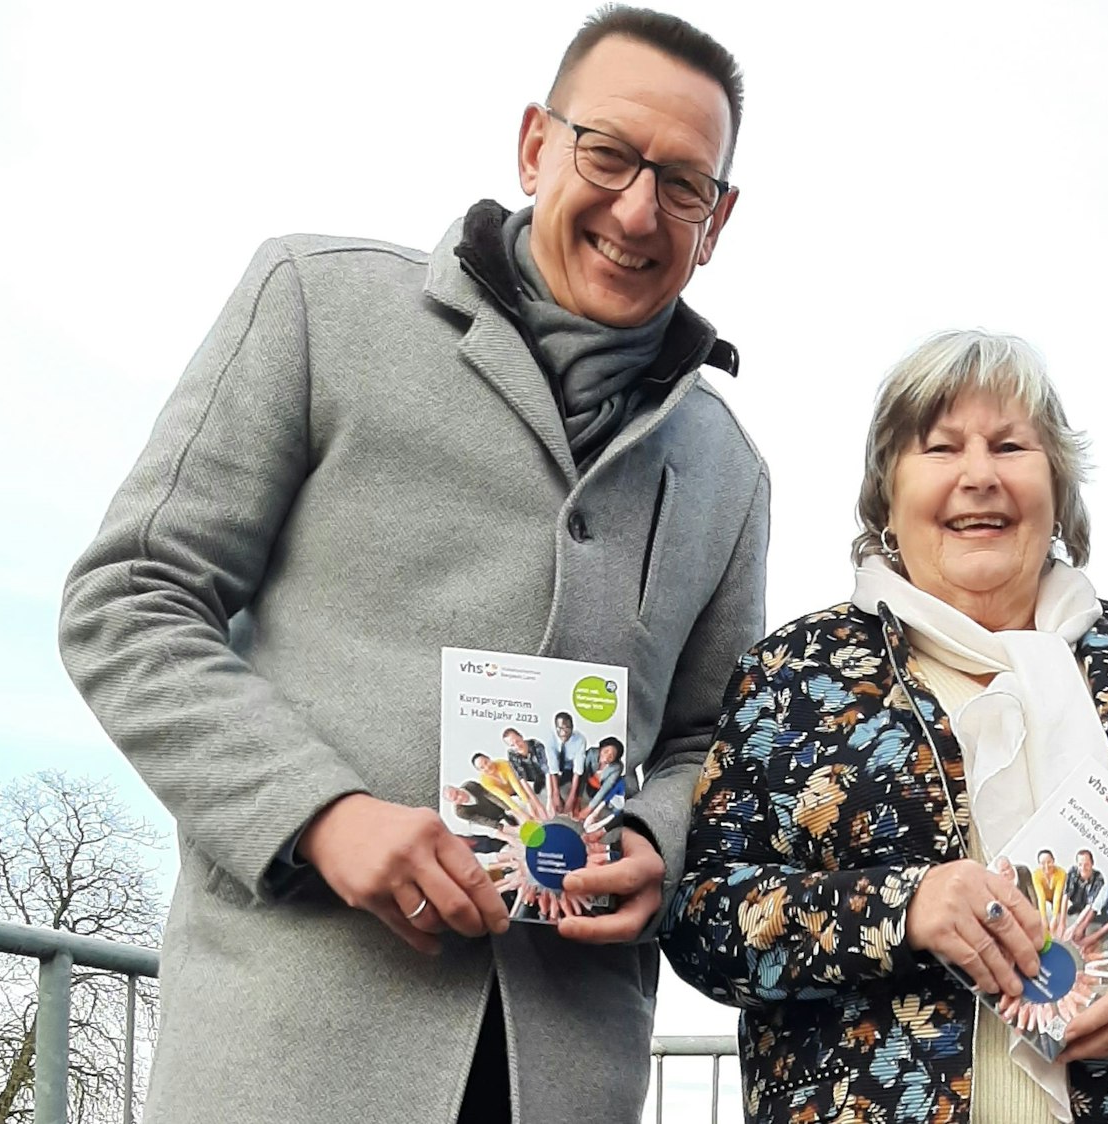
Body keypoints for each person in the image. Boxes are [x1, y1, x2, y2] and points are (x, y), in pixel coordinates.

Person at [55, 9, 768, 1123]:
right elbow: (129, 599)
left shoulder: (732, 469)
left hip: (567, 1072)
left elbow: (701, 736)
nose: (638, 209)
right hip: (289, 1051)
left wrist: (653, 839)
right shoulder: (315, 302)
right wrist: (319, 812)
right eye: (609, 154)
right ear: (535, 143)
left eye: (682, 183)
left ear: (716, 219)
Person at [663, 331, 1108, 1124]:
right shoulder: (794, 673)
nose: (978, 477)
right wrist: (903, 906)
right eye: (939, 448)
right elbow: (704, 920)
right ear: (885, 494)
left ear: (1058, 489)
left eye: (1009, 446)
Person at [502, 727, 550, 793]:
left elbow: (547, 769)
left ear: (521, 736)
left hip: (547, 775)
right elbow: (521, 777)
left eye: (517, 741)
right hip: (532, 780)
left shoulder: (536, 745)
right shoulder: (512, 754)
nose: (517, 746)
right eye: (512, 745)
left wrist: (552, 797)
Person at [1064, 848, 1104, 919]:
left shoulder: (1099, 878)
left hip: (1089, 907)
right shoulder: (1073, 871)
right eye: (1080, 864)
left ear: (1092, 863)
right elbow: (1066, 895)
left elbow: (1090, 904)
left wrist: (1076, 926)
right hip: (1075, 901)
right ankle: (1076, 907)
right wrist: (1062, 921)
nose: (1083, 868)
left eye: (1086, 864)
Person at [552, 712, 584, 792]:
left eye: (567, 728)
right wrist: (555, 793)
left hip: (568, 769)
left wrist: (572, 795)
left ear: (572, 728)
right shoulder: (550, 737)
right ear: (555, 728)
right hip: (552, 769)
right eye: (560, 728)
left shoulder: (580, 739)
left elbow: (578, 768)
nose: (563, 732)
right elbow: (551, 764)